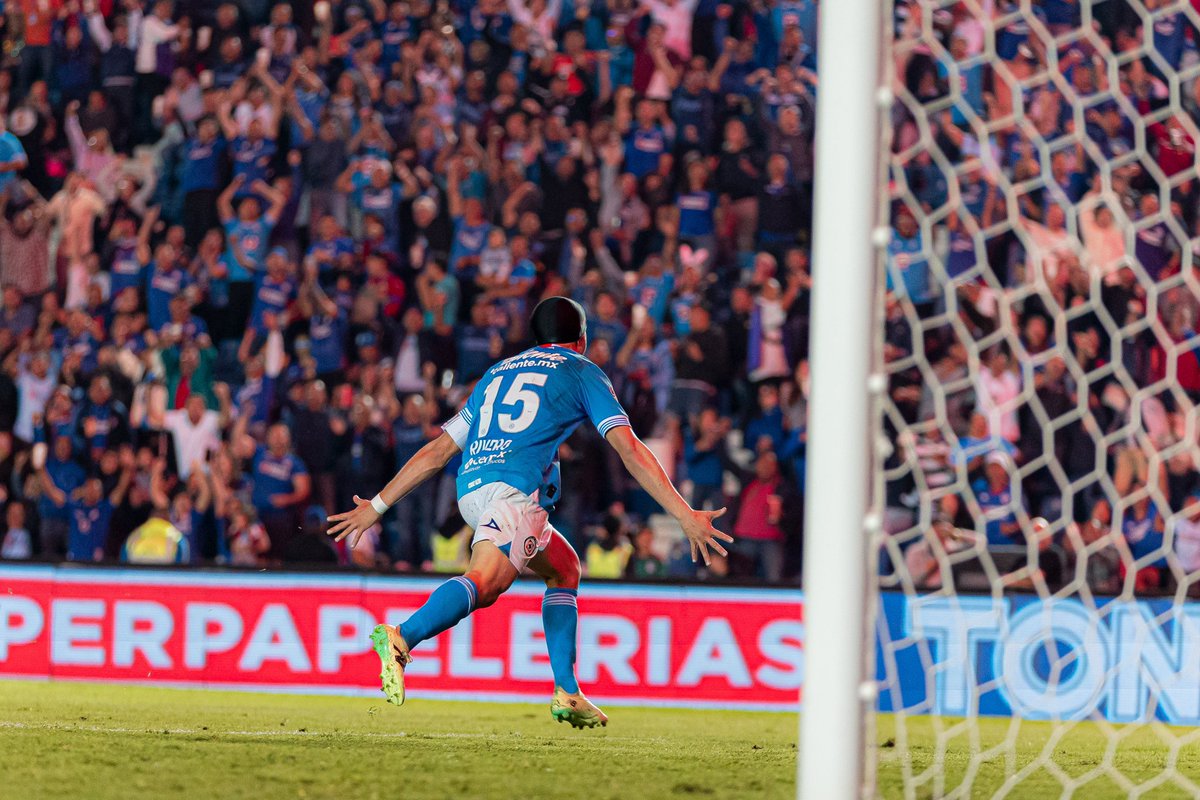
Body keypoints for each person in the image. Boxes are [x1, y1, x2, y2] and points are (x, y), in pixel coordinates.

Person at [328, 296, 731, 728]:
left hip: (472, 490)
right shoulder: (581, 370)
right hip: (511, 494)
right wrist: (684, 514)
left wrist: (378, 505)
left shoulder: (496, 373)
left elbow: (438, 451)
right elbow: (629, 450)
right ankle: (402, 637)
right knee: (483, 584)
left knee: (564, 567)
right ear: (581, 339)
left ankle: (567, 691)